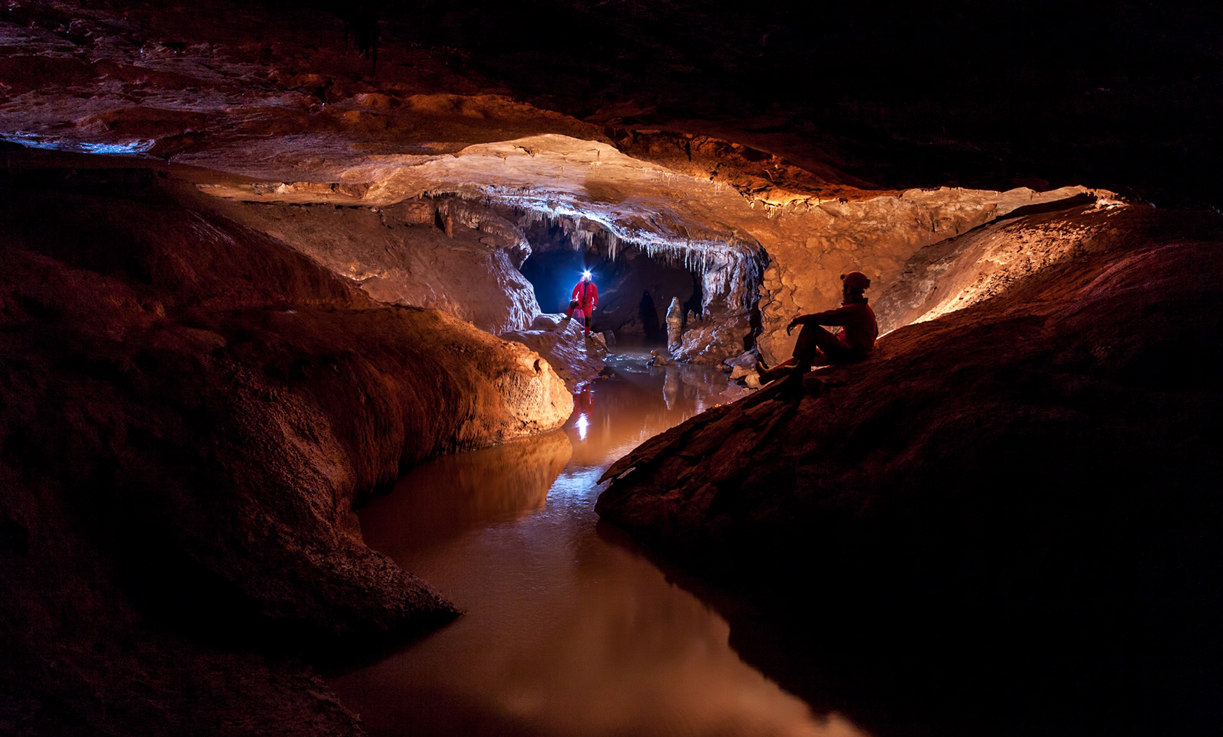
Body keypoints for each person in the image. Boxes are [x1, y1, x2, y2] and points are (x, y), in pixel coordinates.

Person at [758, 271, 878, 384]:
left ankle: (801, 368)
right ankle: (768, 375)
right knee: (805, 356)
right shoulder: (863, 309)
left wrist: (799, 320)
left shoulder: (856, 310)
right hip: (851, 352)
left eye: (845, 287)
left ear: (850, 289)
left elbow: (828, 317)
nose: (843, 290)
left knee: (811, 328)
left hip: (850, 354)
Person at [566, 271, 599, 336]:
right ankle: (568, 317)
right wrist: (574, 297)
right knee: (572, 304)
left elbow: (595, 296)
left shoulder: (593, 286)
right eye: (585, 277)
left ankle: (587, 333)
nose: (586, 278)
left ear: (590, 278)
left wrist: (595, 304)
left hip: (587, 304)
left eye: (588, 277)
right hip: (580, 301)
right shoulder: (580, 284)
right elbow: (575, 290)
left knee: (588, 318)